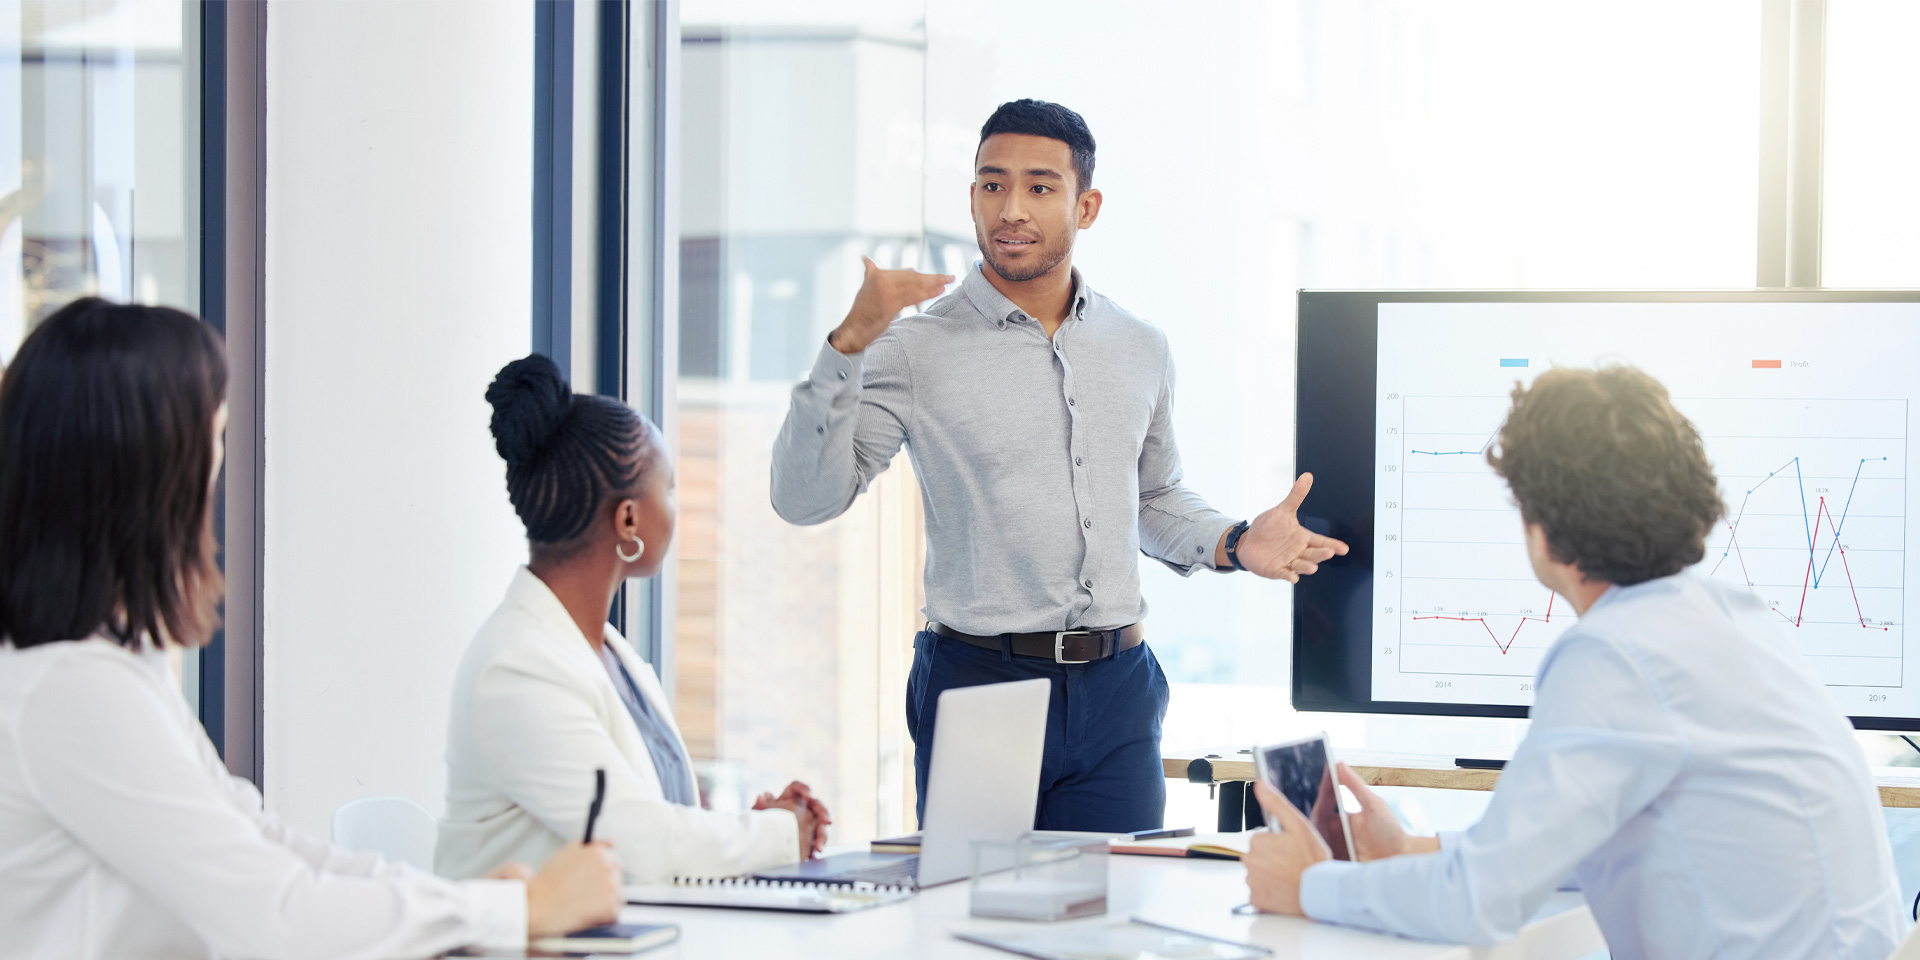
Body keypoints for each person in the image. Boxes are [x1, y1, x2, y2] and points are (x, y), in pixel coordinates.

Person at [770, 98, 1349, 833]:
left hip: (1118, 689)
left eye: (1040, 187)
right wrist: (848, 344)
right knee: (976, 925)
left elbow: (1152, 497)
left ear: (1088, 205)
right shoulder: (913, 348)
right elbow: (804, 499)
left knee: (1113, 924)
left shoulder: (1139, 346)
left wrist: (1234, 541)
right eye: (991, 184)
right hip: (981, 682)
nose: (1011, 208)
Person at [0, 299, 622, 960]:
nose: (214, 476)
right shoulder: (71, 695)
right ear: (149, 477)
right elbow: (274, 916)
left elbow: (262, 845)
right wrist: (509, 910)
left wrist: (475, 908)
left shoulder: (107, 669)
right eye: (212, 441)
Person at [1242, 365, 1904, 959]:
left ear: (1545, 529)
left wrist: (1308, 886)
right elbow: (1605, 839)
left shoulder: (1616, 653)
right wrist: (1417, 850)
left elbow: (1478, 903)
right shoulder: (1736, 618)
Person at [437, 354, 829, 883]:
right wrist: (779, 834)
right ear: (628, 519)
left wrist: (750, 829)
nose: (675, 505)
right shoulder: (517, 669)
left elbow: (652, 817)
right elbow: (639, 847)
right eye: (667, 488)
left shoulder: (603, 651)